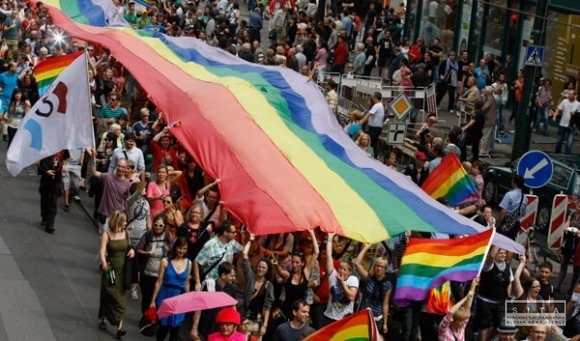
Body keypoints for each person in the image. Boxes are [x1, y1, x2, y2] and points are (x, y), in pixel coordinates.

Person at [98, 210, 135, 339]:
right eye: (124, 221)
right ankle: (104, 318)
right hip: (110, 270)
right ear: (117, 221)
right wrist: (104, 264)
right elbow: (102, 252)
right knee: (108, 294)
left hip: (123, 270)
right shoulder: (106, 235)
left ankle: (119, 327)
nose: (125, 223)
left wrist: (132, 251)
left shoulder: (126, 234)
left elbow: (129, 247)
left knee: (120, 298)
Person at [150, 237, 191, 341]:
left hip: (180, 298)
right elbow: (159, 281)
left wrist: (188, 299)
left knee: (175, 329)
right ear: (175, 247)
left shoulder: (189, 263)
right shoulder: (165, 261)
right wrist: (152, 301)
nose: (182, 251)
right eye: (180, 248)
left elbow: (187, 283)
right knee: (163, 328)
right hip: (165, 295)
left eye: (184, 249)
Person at [475, 246, 514, 341]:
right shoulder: (489, 265)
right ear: (495, 254)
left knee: (499, 325)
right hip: (486, 301)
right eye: (500, 253)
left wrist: (508, 296)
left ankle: (489, 339)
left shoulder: (507, 266)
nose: (503, 255)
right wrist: (497, 242)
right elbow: (490, 257)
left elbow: (510, 282)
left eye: (504, 253)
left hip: (500, 302)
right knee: (484, 325)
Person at [90, 148, 132, 234]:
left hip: (117, 215)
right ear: (116, 166)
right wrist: (93, 158)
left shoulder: (127, 183)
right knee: (105, 238)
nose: (120, 168)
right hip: (105, 214)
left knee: (114, 239)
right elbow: (94, 172)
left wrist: (126, 215)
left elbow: (125, 200)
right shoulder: (107, 177)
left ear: (126, 169)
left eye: (123, 167)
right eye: (119, 166)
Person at [137, 213, 173, 314]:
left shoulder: (167, 238)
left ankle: (153, 320)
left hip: (160, 276)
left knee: (157, 300)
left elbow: (172, 254)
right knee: (146, 299)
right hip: (147, 273)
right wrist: (146, 253)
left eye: (160, 225)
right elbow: (139, 250)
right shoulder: (148, 236)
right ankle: (145, 318)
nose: (158, 227)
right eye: (156, 225)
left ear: (165, 226)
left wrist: (166, 260)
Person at [354, 243, 392, 336]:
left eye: (381, 267)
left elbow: (385, 304)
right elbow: (356, 263)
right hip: (363, 317)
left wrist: (385, 323)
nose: (379, 268)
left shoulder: (387, 284)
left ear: (385, 269)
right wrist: (366, 247)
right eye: (377, 266)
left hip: (377, 318)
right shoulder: (368, 278)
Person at [193, 220, 243, 291]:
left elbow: (245, 251)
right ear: (225, 233)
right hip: (211, 285)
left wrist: (250, 240)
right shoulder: (210, 245)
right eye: (233, 232)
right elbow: (197, 261)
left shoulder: (231, 243)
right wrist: (197, 282)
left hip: (225, 284)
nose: (235, 234)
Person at [321, 233, 359, 326]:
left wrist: (342, 283)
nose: (341, 270)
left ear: (349, 272)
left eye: (344, 269)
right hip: (329, 318)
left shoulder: (353, 279)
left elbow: (351, 297)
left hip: (344, 320)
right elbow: (329, 256)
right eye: (340, 268)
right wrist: (330, 238)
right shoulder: (333, 276)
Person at [242, 234, 274, 340]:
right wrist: (250, 240)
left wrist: (264, 325)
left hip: (258, 320)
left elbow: (267, 306)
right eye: (259, 266)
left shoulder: (269, 285)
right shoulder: (251, 277)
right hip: (245, 318)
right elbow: (244, 255)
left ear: (267, 270)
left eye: (263, 268)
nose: (260, 269)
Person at [36, 151, 69, 233]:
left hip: (57, 178)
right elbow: (37, 162)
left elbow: (65, 159)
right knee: (45, 198)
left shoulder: (63, 148)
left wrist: (64, 165)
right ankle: (44, 216)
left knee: (53, 200)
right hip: (46, 178)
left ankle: (50, 224)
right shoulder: (46, 148)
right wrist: (46, 171)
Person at [497, 175, 527, 242]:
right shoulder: (525, 198)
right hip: (516, 224)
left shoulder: (509, 195)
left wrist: (499, 223)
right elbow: (523, 213)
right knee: (511, 243)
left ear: (514, 183)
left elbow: (503, 211)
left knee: (501, 242)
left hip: (506, 223)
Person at [553, 89, 580, 154]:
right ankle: (557, 153)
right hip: (562, 124)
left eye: (570, 94)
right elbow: (558, 109)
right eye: (568, 94)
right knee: (559, 140)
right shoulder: (564, 101)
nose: (569, 95)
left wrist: (575, 114)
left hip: (571, 125)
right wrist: (554, 116)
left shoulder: (578, 104)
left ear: (574, 95)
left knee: (569, 142)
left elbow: (579, 115)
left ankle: (567, 155)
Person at [361, 92, 385, 158]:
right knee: (374, 143)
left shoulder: (377, 105)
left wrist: (361, 122)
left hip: (374, 128)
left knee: (367, 140)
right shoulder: (381, 105)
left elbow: (369, 114)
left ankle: (366, 154)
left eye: (373, 97)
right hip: (377, 128)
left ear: (375, 98)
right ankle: (375, 156)